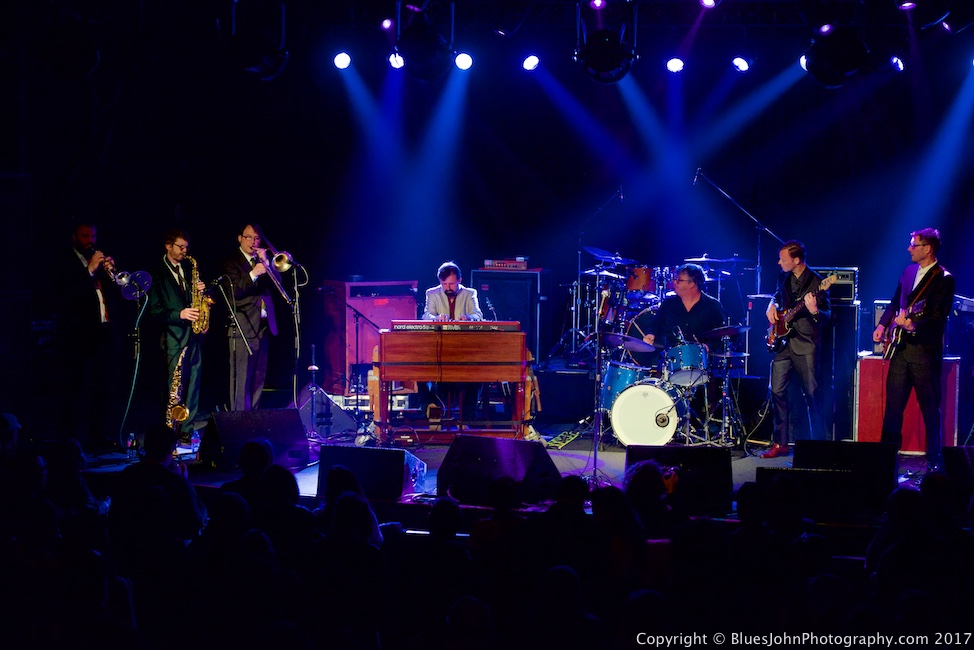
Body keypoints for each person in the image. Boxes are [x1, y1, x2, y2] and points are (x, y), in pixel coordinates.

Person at [872, 228, 954, 472]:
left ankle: (934, 464)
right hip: (901, 349)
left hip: (924, 353)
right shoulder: (908, 272)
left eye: (913, 245)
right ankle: (885, 462)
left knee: (930, 409)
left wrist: (912, 324)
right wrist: (882, 324)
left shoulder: (943, 278)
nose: (909, 249)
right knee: (893, 409)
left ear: (927, 249)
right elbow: (895, 302)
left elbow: (937, 316)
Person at [56, 222, 124, 450]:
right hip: (80, 337)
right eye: (85, 236)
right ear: (74, 237)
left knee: (105, 388)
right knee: (80, 389)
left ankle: (100, 435)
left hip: (105, 334)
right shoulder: (65, 261)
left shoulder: (98, 262)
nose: (90, 240)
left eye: (93, 236)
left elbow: (115, 296)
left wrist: (112, 273)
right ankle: (75, 440)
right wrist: (89, 270)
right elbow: (66, 296)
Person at [763, 240, 831, 458]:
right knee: (776, 391)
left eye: (783, 259)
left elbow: (828, 317)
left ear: (797, 260)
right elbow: (777, 295)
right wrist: (771, 304)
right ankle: (780, 442)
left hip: (806, 344)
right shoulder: (783, 277)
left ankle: (818, 446)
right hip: (783, 343)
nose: (779, 262)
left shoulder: (817, 282)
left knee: (812, 393)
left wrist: (814, 310)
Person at [148, 228, 205, 438]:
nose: (184, 251)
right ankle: (169, 429)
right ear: (168, 246)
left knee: (193, 384)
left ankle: (187, 429)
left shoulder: (188, 269)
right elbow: (154, 311)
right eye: (180, 247)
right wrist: (180, 314)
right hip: (173, 337)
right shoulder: (156, 273)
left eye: (186, 248)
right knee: (175, 387)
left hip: (194, 335)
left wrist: (201, 294)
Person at [221, 223, 280, 411]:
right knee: (242, 378)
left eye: (256, 238)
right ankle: (240, 418)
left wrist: (268, 264)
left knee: (259, 376)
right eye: (248, 237)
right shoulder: (231, 263)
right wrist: (253, 273)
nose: (253, 242)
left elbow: (278, 286)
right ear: (240, 238)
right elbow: (235, 292)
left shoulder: (262, 262)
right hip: (243, 326)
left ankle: (253, 417)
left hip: (263, 326)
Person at [420, 262, 483, 421]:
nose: (447, 288)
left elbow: (478, 316)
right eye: (444, 284)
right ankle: (430, 410)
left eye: (451, 284)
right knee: (419, 373)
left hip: (464, 349)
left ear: (459, 280)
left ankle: (468, 418)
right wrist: (436, 318)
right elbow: (426, 315)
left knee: (478, 374)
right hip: (438, 348)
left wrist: (467, 318)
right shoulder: (432, 293)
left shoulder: (470, 293)